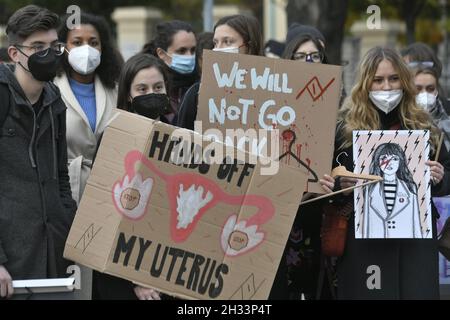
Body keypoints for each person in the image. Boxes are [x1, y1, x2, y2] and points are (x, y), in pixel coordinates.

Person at [321, 46, 450, 299]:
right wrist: (337, 185)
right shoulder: (343, 129)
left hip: (415, 244)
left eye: (393, 79)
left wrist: (439, 177)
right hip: (363, 244)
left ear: (404, 81)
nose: (387, 87)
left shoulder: (424, 125)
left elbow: (448, 173)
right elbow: (322, 179)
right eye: (378, 80)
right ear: (365, 84)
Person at [0, 5, 76, 298]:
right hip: (11, 262)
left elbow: (60, 176)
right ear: (15, 54)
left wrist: (69, 230)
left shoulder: (54, 99)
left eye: (54, 46)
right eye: (38, 47)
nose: (49, 54)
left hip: (54, 256)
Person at [92, 53, 168, 300]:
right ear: (128, 94)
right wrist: (135, 277)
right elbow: (105, 212)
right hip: (121, 276)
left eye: (158, 87)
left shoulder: (181, 138)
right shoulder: (114, 137)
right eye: (142, 88)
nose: (151, 93)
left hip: (167, 271)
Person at [54, 12, 122, 205]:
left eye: (93, 43)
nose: (86, 49)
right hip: (64, 194)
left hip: (110, 192)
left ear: (103, 48)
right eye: (77, 42)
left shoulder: (116, 91)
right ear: (63, 47)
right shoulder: (50, 90)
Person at [176, 14, 263, 130]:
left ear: (249, 46)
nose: (218, 49)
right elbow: (181, 141)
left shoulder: (274, 92)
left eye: (227, 42)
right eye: (215, 43)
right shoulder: (197, 93)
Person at [142, 20, 198, 124]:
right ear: (161, 53)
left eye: (193, 50)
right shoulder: (149, 86)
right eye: (181, 51)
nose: (189, 56)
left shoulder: (200, 85)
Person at [362, 143, 421, 239]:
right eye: (384, 158)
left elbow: (416, 223)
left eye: (394, 158)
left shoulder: (410, 188)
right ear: (377, 162)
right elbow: (366, 223)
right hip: (375, 244)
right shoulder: (370, 188)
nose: (389, 163)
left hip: (406, 244)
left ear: (401, 162)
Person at [414, 67, 450, 152]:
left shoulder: (447, 116)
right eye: (418, 89)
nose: (424, 94)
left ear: (437, 90)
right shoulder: (402, 120)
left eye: (430, 89)